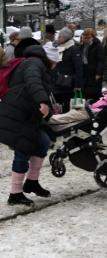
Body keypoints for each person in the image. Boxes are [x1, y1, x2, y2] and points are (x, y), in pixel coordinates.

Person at [0, 45, 56, 206]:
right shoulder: (34, 63)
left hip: (26, 114)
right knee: (23, 150)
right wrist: (43, 101)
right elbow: (33, 82)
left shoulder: (31, 63)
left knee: (43, 141)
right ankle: (15, 193)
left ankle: (31, 182)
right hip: (18, 115)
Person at [53, 28, 83, 114]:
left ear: (65, 38)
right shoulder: (59, 48)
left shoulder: (73, 49)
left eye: (60, 36)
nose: (58, 38)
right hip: (58, 83)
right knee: (59, 106)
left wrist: (78, 85)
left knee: (68, 106)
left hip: (69, 84)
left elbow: (78, 69)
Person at [80, 28, 104, 101]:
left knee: (94, 92)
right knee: (85, 91)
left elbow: (101, 60)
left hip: (94, 71)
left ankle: (94, 107)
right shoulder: (82, 45)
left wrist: (98, 73)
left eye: (88, 37)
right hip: (85, 70)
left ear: (93, 36)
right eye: (85, 37)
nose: (86, 39)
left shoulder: (97, 45)